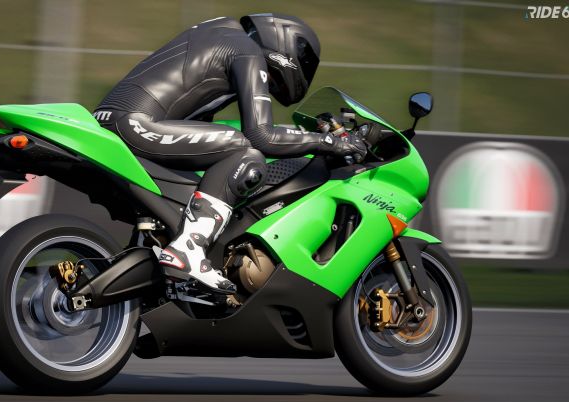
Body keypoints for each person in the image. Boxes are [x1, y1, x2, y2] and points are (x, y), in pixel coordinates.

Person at [94, 13, 367, 294]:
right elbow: (262, 135)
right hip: (135, 125)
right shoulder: (247, 52)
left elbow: (197, 123)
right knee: (246, 155)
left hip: (114, 123)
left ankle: (153, 257)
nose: (269, 84)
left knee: (206, 175)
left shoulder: (220, 35)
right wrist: (329, 142)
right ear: (287, 46)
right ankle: (188, 249)